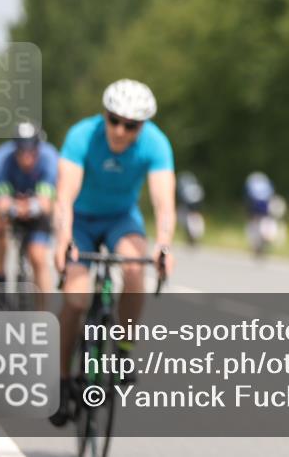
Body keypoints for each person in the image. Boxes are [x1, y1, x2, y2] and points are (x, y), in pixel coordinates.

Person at [50, 78, 176, 426]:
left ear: (142, 126)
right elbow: (64, 196)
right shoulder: (81, 136)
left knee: (136, 269)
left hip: (122, 219)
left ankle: (123, 351)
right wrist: (63, 239)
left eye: (131, 125)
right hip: (80, 222)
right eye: (114, 120)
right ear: (104, 115)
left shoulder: (156, 144)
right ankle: (61, 380)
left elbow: (164, 203)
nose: (120, 131)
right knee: (76, 299)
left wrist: (164, 244)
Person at [0, 122, 59, 295]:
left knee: (38, 257)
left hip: (37, 211)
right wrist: (14, 208)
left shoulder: (49, 157)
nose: (26, 157)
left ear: (39, 147)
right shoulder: (2, 158)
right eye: (21, 151)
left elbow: (45, 204)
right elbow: (2, 202)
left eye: (31, 151)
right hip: (13, 207)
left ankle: (46, 311)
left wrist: (28, 207)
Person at [244, 171, 275, 256]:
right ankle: (265, 238)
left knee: (254, 221)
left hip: (255, 205)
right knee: (265, 220)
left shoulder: (252, 182)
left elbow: (247, 196)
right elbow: (272, 194)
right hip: (265, 206)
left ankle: (259, 240)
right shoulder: (265, 183)